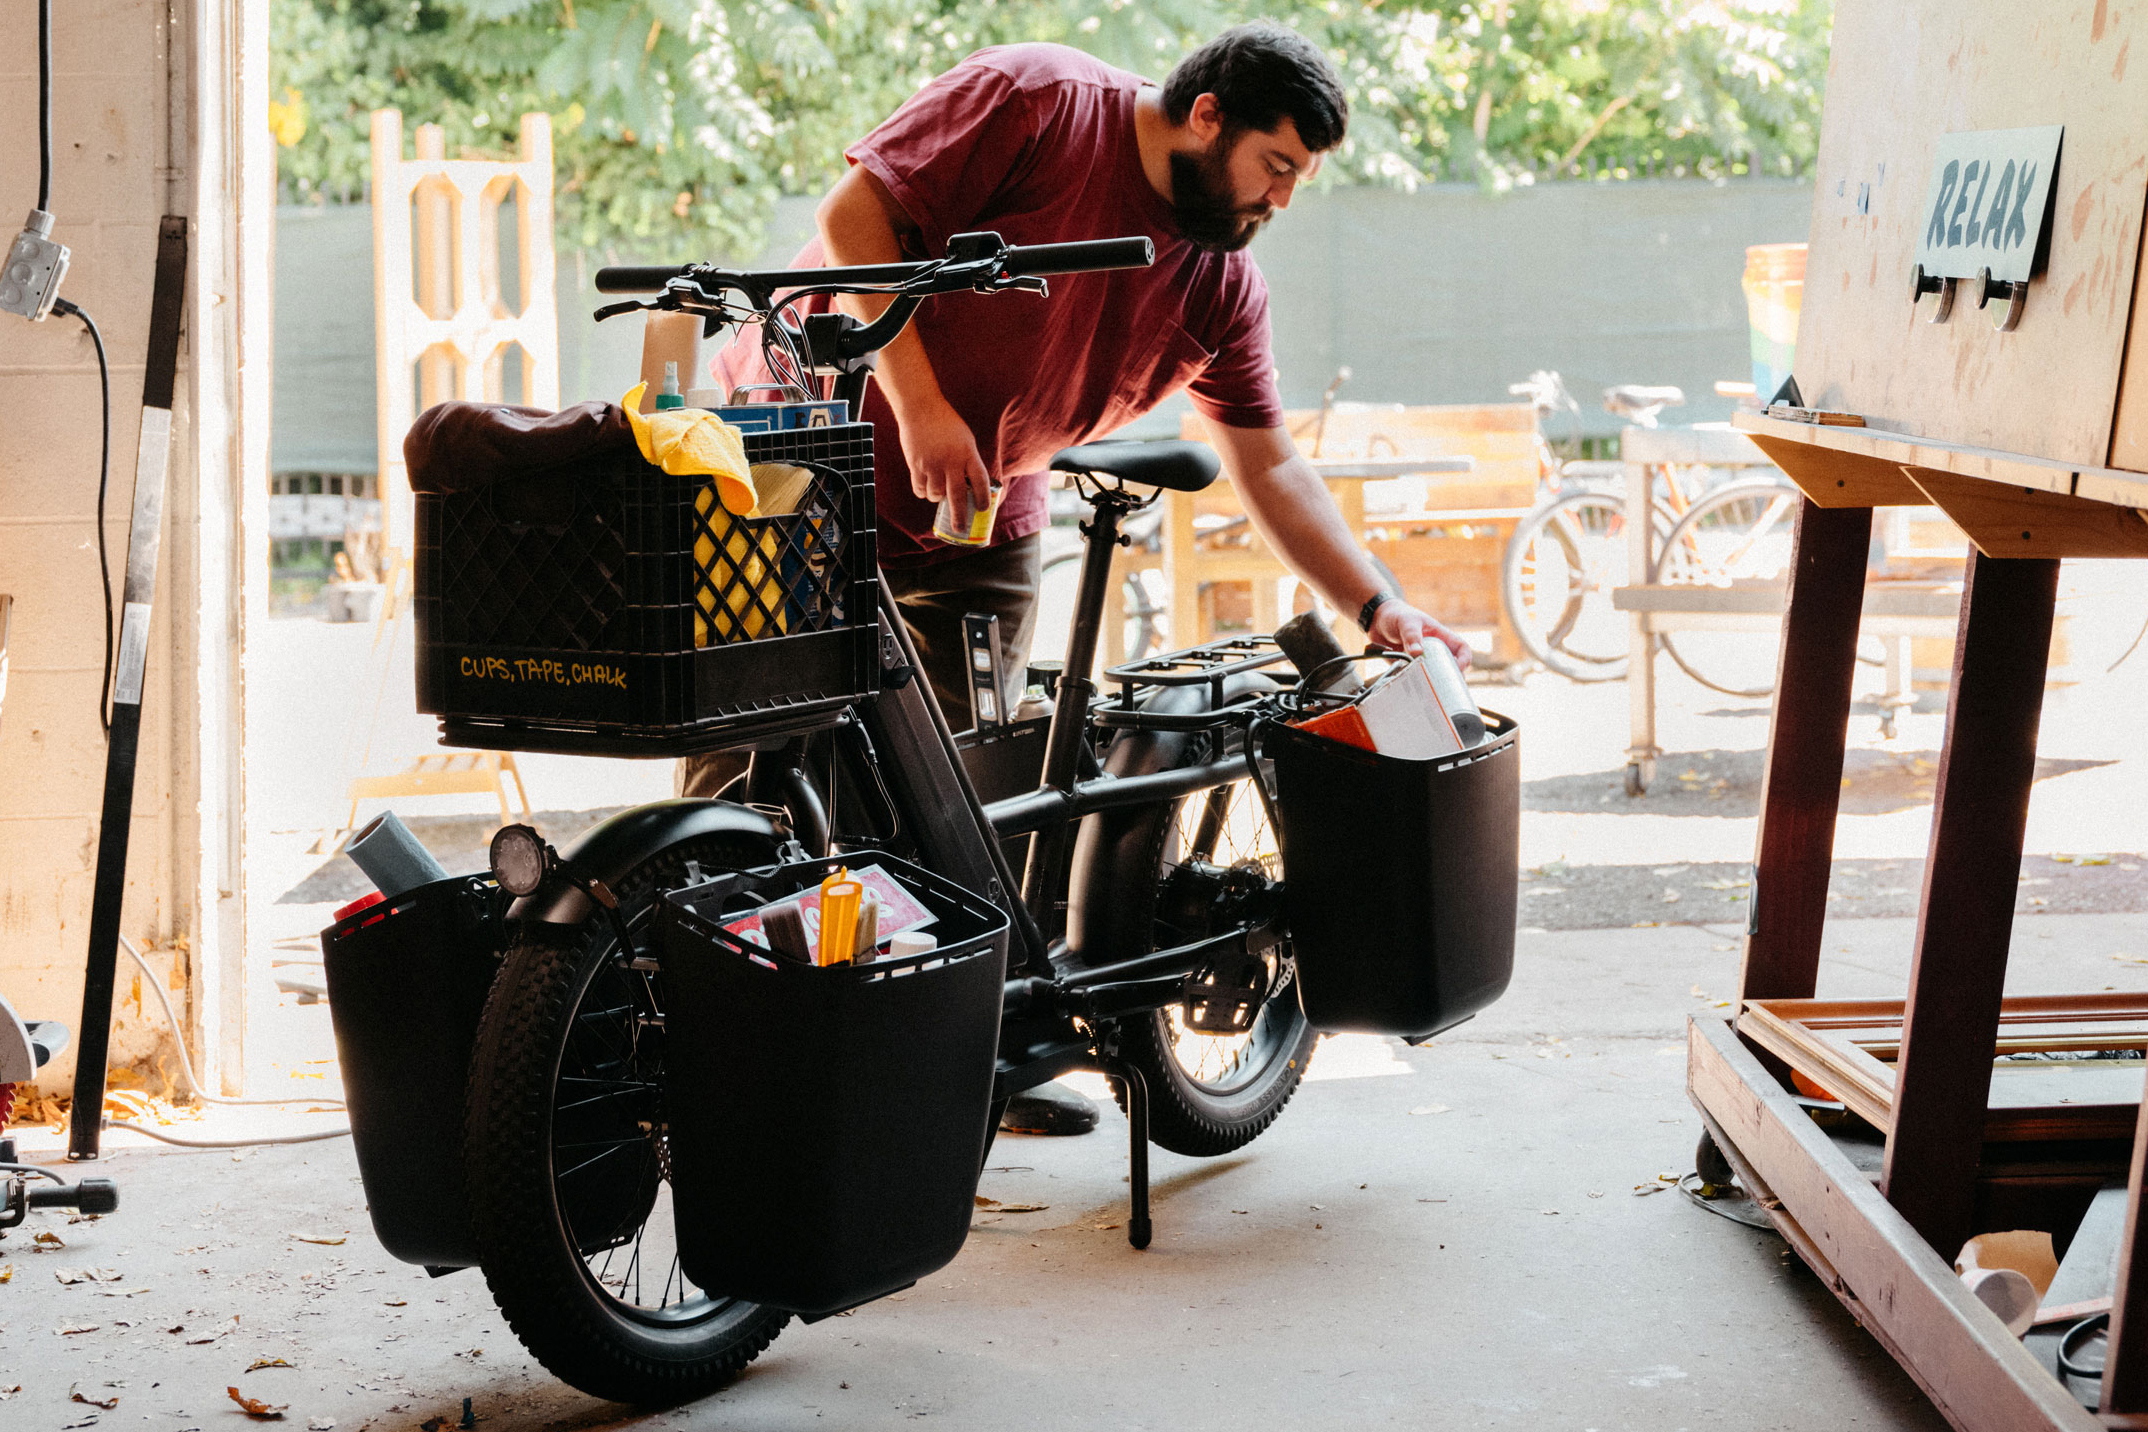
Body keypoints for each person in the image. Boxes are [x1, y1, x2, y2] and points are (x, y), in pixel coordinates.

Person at [681, 23, 1470, 1135]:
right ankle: (711, 1061)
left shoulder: (1218, 283)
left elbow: (1270, 461)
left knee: (961, 797)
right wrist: (923, 408)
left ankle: (949, 1061)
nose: (1282, 199)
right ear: (1210, 118)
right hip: (801, 456)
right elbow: (854, 220)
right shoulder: (1041, 99)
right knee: (753, 774)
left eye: (1299, 179)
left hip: (981, 512)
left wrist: (1379, 603)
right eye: (1277, 165)